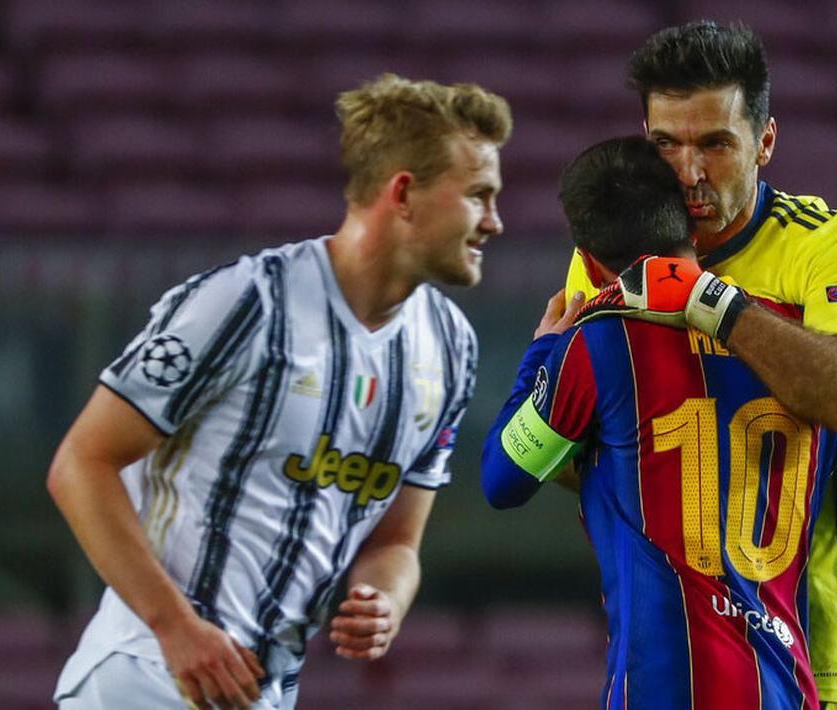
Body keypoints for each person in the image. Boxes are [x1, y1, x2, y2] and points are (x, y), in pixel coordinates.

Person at [47, 73, 510, 710]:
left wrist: (386, 600)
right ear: (403, 192)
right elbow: (81, 463)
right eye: (479, 195)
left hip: (260, 692)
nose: (495, 221)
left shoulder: (449, 347)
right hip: (146, 674)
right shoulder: (246, 303)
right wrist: (173, 626)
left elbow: (397, 542)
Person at [483, 136, 837, 710]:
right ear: (691, 229)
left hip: (659, 688)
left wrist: (541, 353)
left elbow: (501, 479)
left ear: (591, 262)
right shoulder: (794, 347)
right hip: (786, 686)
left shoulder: (598, 344)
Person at [561, 22, 837, 710]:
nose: (688, 172)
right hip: (682, 652)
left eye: (715, 145)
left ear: (765, 141)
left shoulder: (827, 245)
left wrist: (711, 306)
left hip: (824, 646)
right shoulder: (609, 250)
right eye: (665, 144)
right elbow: (564, 446)